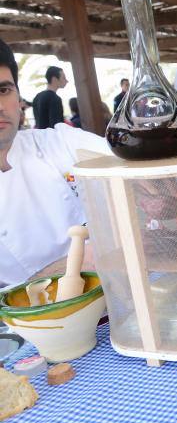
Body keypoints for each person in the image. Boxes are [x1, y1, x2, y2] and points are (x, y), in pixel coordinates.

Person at [0, 38, 111, 288]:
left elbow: (130, 164)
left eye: (3, 90)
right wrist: (72, 265)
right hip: (22, 323)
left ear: (18, 96)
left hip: (108, 301)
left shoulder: (57, 141)